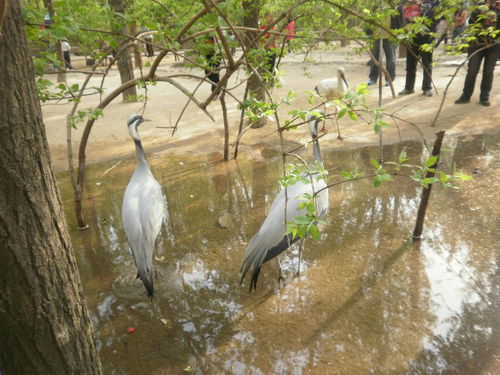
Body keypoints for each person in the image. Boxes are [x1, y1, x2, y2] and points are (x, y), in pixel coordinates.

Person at [455, 0, 499, 106]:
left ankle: (484, 97)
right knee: (472, 70)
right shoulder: (479, 6)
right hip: (476, 43)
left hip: (494, 44)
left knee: (488, 71)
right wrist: (483, 9)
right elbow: (471, 22)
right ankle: (466, 96)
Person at [399, 0, 439, 97]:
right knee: (410, 63)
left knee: (427, 63)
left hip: (427, 36)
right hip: (412, 35)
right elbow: (404, 13)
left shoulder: (433, 2)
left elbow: (433, 14)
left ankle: (427, 88)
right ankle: (409, 87)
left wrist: (420, 5)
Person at [366, 11, 400, 86]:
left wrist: (397, 34)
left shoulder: (392, 4)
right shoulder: (374, 4)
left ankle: (389, 79)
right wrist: (368, 32)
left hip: (389, 35)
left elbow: (398, 19)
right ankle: (373, 78)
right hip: (375, 35)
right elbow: (367, 18)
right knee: (374, 58)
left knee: (391, 59)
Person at [202, 35, 221, 100]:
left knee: (215, 81)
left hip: (211, 66)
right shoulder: (210, 46)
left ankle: (215, 94)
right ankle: (215, 94)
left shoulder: (210, 45)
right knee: (216, 81)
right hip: (212, 67)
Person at [260, 12, 278, 82]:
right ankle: (265, 80)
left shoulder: (274, 27)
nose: (271, 18)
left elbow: (277, 38)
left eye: (272, 17)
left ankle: (270, 81)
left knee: (272, 66)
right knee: (266, 66)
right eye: (269, 17)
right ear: (265, 18)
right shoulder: (263, 27)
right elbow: (261, 39)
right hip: (266, 50)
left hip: (273, 50)